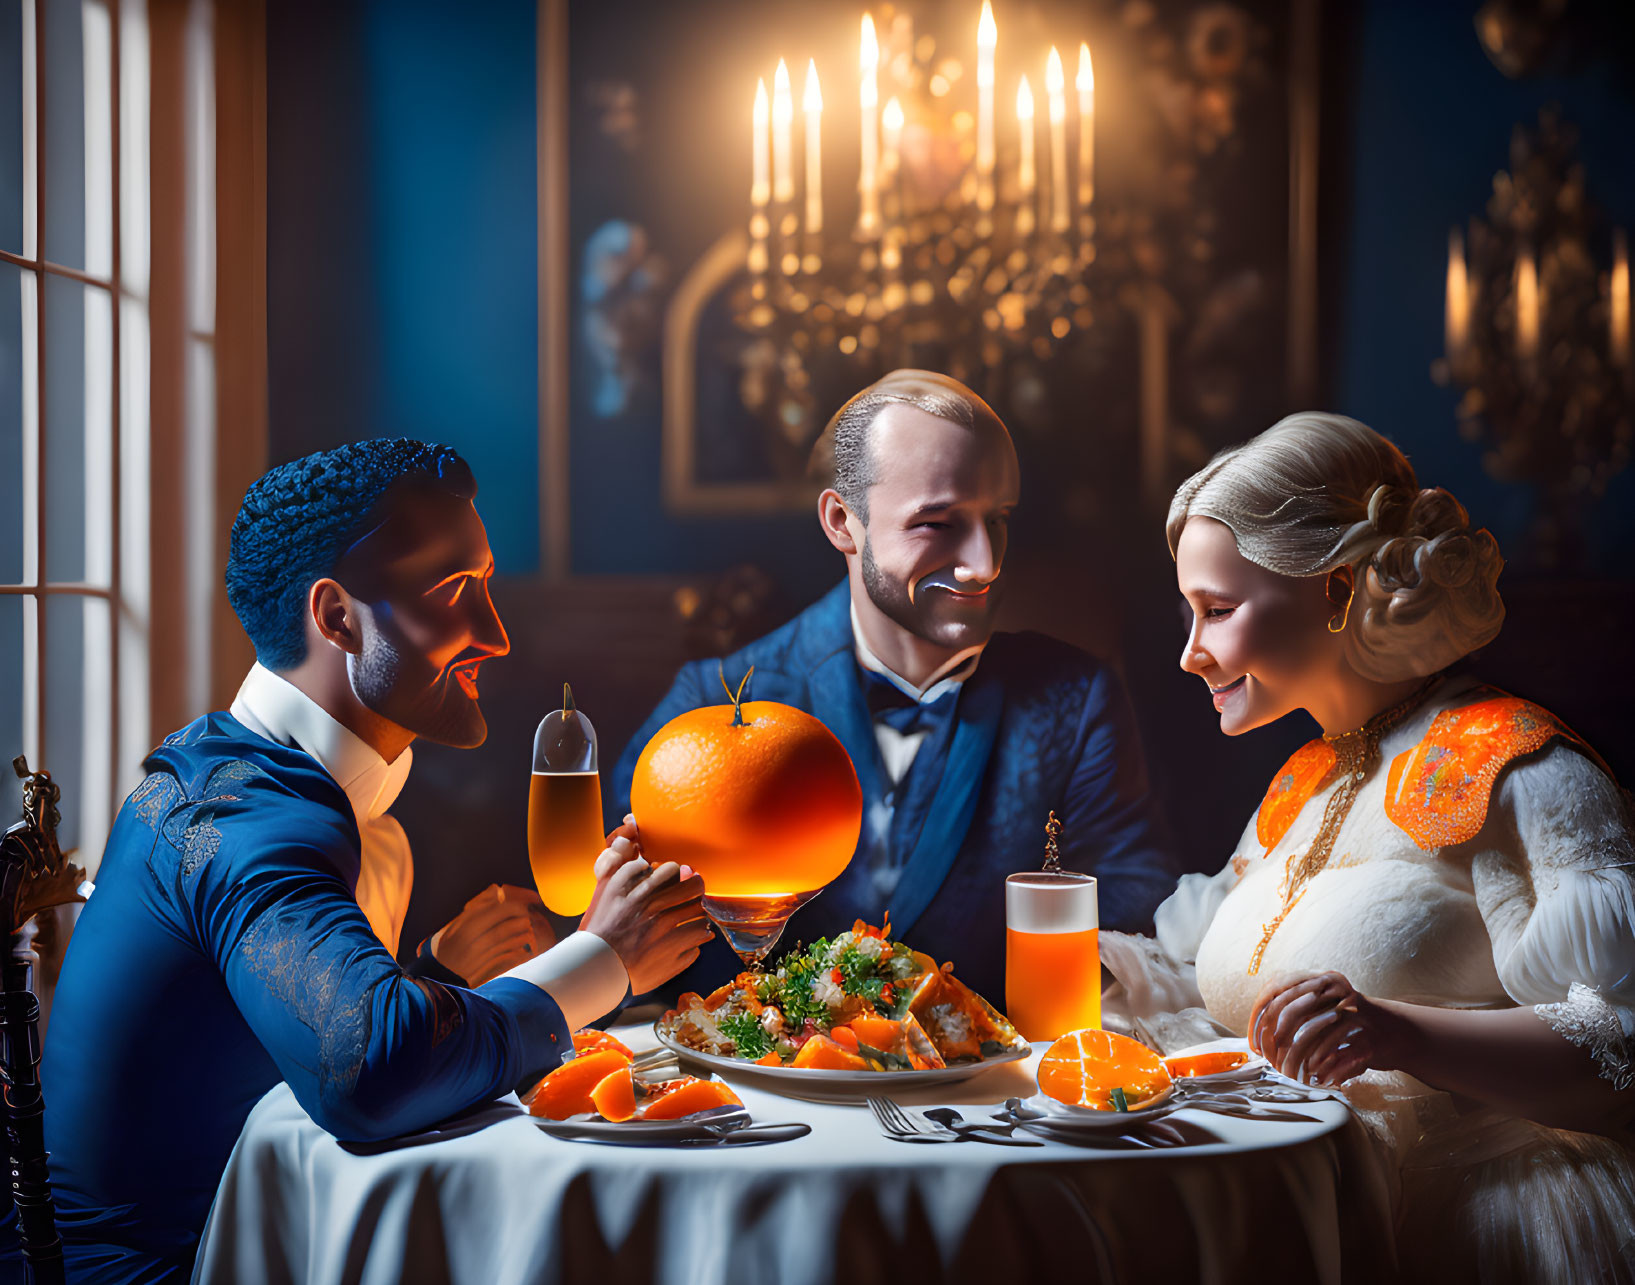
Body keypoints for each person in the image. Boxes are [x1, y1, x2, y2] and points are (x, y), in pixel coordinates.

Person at [17, 440, 712, 1283]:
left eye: (487, 584)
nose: (495, 635)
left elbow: (275, 1031)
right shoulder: (248, 820)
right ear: (338, 616)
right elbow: (368, 1071)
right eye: (459, 592)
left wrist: (433, 976)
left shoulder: (253, 769)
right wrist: (605, 956)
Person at [1102, 411, 1635, 1283]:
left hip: (1476, 1229)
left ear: (1337, 586)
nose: (1190, 653)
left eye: (1218, 609)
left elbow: (1618, 1047)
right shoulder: (1300, 783)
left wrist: (1398, 1035)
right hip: (1292, 1219)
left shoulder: (1515, 762)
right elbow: (1222, 1010)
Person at [614, 370, 1175, 1002]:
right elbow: (623, 936)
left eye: (998, 519)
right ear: (841, 523)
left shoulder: (1077, 699)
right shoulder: (708, 705)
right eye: (937, 523)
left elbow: (1137, 915)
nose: (986, 565)